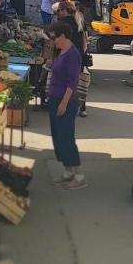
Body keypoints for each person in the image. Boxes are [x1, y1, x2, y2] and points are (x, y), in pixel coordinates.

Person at [45, 22, 85, 189]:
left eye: (54, 37)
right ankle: (68, 171)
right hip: (54, 98)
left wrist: (64, 103)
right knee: (58, 136)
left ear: (63, 36)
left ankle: (79, 175)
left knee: (66, 136)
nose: (53, 41)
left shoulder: (72, 54)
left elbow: (72, 82)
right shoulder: (61, 52)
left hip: (66, 100)